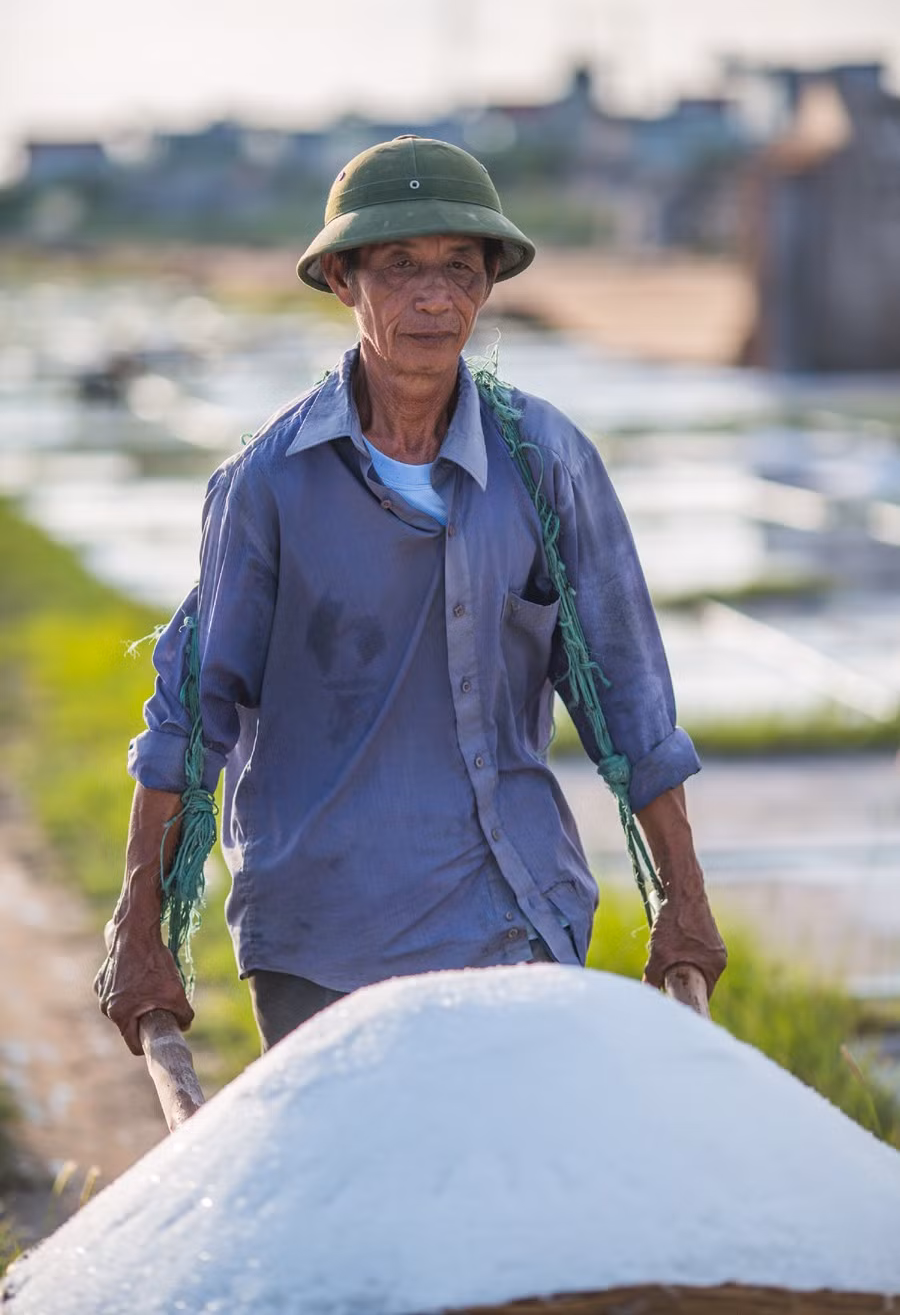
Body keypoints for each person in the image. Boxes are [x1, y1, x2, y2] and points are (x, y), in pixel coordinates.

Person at [95, 136, 726, 1055]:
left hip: (520, 922)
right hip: (324, 947)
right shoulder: (267, 486)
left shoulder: (546, 462)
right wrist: (140, 924)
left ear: (488, 284)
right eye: (400, 267)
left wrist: (684, 898)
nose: (435, 298)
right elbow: (190, 721)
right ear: (343, 280)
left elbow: (630, 705)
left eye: (459, 268)